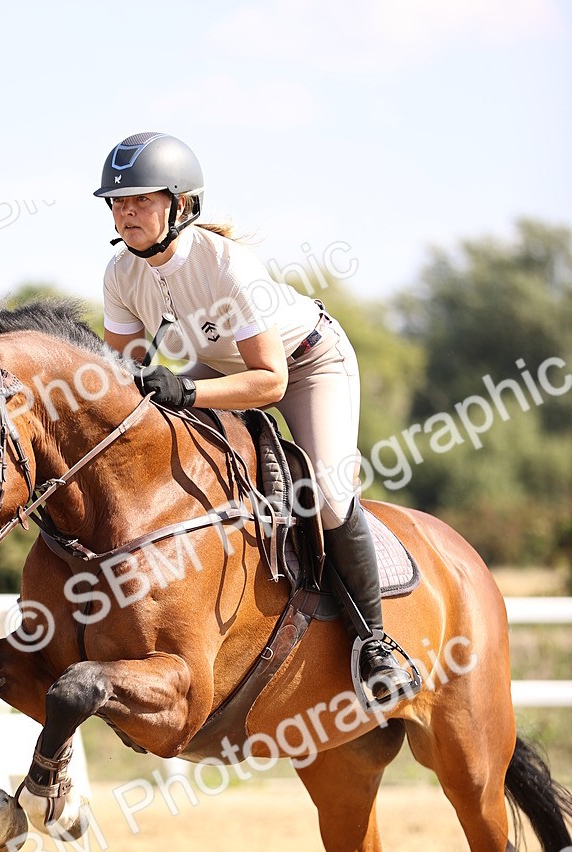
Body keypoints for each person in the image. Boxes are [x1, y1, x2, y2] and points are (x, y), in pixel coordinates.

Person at [95, 131, 417, 706]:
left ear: (182, 204)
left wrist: (186, 388)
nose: (127, 212)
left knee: (326, 491)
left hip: (306, 364)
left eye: (141, 199)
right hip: (218, 369)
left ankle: (376, 644)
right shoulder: (121, 274)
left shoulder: (227, 266)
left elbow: (270, 381)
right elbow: (128, 371)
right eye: (119, 202)